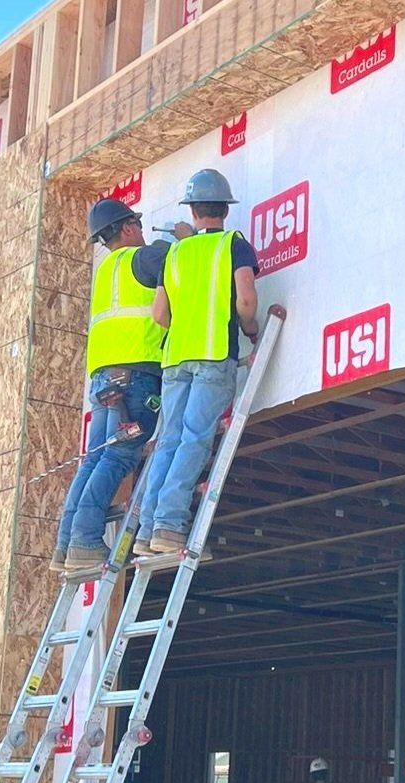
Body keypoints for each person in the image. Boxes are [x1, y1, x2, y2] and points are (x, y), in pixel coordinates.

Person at [136, 168, 260, 554]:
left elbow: (160, 315)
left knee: (170, 439)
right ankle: (169, 524)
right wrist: (251, 329)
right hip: (212, 357)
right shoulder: (232, 244)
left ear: (192, 211)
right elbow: (245, 300)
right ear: (225, 208)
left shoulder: (173, 253)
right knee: (194, 439)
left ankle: (146, 531)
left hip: (175, 361)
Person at [51, 199, 173, 570]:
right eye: (137, 223)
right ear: (126, 228)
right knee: (120, 455)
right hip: (135, 378)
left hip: (106, 378)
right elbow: (181, 265)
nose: (141, 229)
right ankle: (85, 539)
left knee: (94, 460)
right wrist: (180, 240)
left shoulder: (105, 271)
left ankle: (67, 544)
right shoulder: (142, 259)